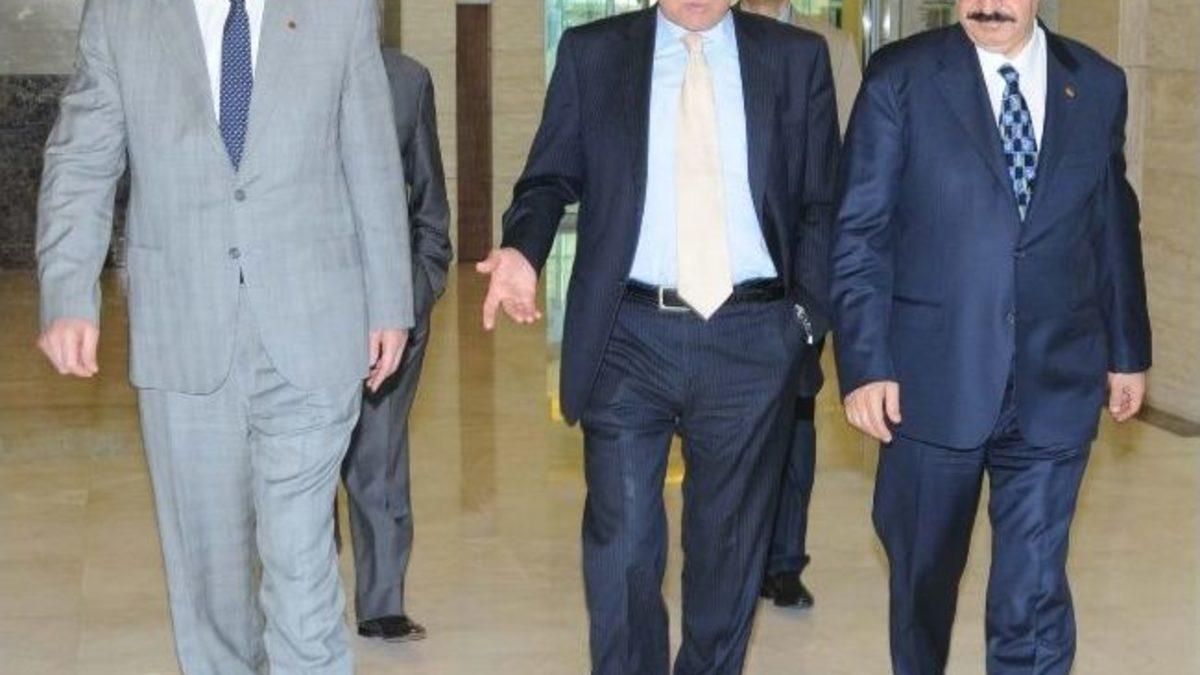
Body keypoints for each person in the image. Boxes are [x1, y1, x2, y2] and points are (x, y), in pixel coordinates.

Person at [36, 0, 413, 672]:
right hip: (183, 331)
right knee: (210, 585)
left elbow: (372, 153)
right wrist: (69, 293)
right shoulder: (123, 16)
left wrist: (390, 299)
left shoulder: (339, 9)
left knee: (301, 570)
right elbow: (82, 159)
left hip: (315, 324)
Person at [477, 1, 839, 672]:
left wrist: (802, 322)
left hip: (752, 337)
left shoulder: (793, 58)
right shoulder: (594, 53)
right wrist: (523, 249)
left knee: (729, 553)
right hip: (628, 333)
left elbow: (822, 201)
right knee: (622, 545)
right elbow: (549, 177)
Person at [830, 1, 1151, 673]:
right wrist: (865, 363)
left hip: (1056, 374)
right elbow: (860, 232)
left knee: (1033, 587)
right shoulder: (901, 77)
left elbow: (1112, 224)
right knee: (923, 578)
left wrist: (1128, 350)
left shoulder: (1097, 83)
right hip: (929, 379)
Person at [741, 0, 863, 610]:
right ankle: (737, 551)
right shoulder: (713, 29)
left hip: (802, 268)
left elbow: (853, 156)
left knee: (795, 411)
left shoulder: (830, 47)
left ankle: (785, 559)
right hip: (726, 266)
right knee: (729, 419)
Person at [341, 48, 452, 644]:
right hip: (293, 308)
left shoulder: (407, 81)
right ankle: (303, 589)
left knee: (378, 452)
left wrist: (420, 285)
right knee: (295, 460)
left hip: (390, 309)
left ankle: (382, 603)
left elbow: (429, 201)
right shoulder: (264, 65)